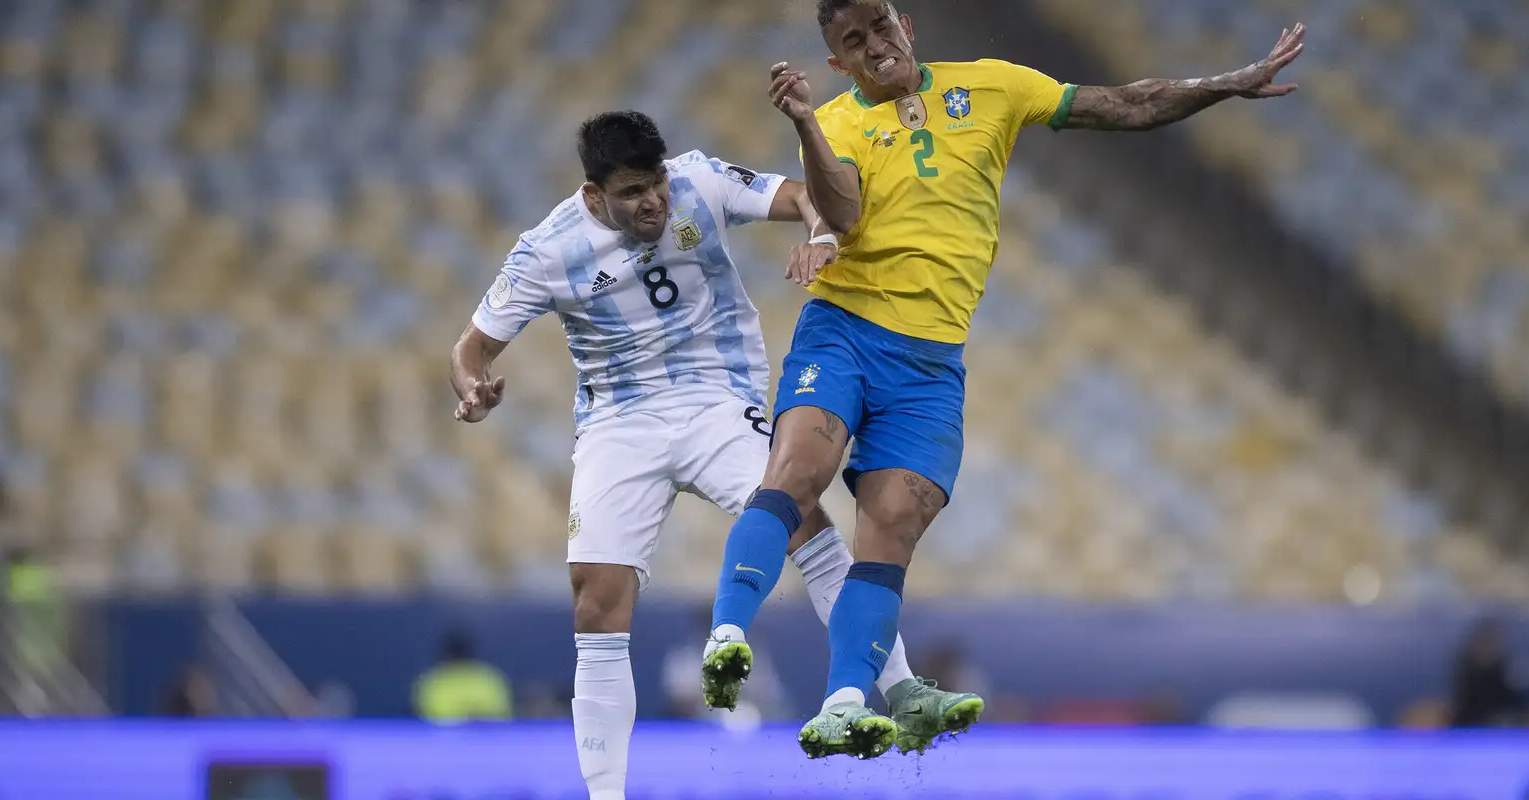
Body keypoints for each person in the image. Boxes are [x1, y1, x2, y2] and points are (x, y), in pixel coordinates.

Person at [702, 0, 1306, 759]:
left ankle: (846, 703)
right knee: (798, 472)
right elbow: (845, 217)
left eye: (881, 27)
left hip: (931, 363)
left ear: (906, 26)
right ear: (837, 63)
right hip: (846, 330)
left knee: (890, 527)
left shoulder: (992, 85)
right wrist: (802, 124)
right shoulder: (839, 123)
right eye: (852, 41)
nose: (874, 46)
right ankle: (726, 633)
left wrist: (1227, 84)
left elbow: (1126, 104)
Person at [448, 110, 954, 799]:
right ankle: (605, 795)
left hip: (717, 397)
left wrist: (819, 230)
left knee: (803, 519)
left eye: (654, 183)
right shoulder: (546, 251)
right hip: (620, 422)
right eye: (631, 192)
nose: (652, 200)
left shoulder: (700, 181)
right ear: (594, 196)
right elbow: (470, 347)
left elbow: (801, 193)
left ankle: (897, 691)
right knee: (596, 601)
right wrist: (472, 387)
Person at [411, 631, 512, 722]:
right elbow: (429, 717)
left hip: (487, 739)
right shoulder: (432, 681)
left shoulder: (489, 678)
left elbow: (500, 714)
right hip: (443, 740)